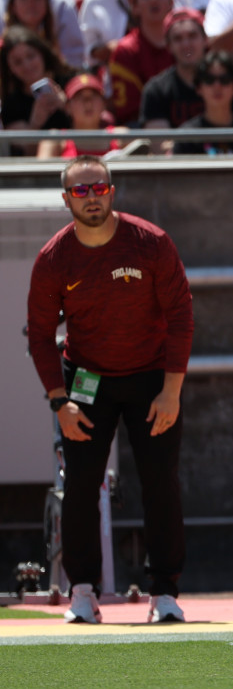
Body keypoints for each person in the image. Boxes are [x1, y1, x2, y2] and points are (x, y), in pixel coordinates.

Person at [25, 155, 193, 625]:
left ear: (112, 191)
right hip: (86, 379)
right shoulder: (54, 258)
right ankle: (82, 591)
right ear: (66, 200)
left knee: (161, 483)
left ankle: (164, 593)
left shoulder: (150, 243)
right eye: (80, 191)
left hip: (152, 377)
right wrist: (59, 401)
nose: (91, 197)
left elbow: (181, 316)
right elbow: (39, 336)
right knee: (80, 485)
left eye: (99, 187)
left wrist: (172, 391)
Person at [141, 7, 233, 147]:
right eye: (178, 38)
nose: (186, 44)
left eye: (192, 36)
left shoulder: (229, 80)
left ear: (206, 40)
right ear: (168, 46)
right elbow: (160, 147)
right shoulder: (156, 90)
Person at [108, 0, 174, 125]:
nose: (154, 0)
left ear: (171, 3)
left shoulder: (185, 42)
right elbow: (129, 113)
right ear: (135, 7)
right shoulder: (126, 50)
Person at [0, 25, 74, 154]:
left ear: (42, 53)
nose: (27, 65)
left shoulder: (72, 82)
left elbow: (96, 130)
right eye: (18, 62)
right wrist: (35, 124)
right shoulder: (11, 106)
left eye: (31, 56)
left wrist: (67, 107)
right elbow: (26, 154)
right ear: (10, 69)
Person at [0, 0, 85, 68]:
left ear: (47, 5)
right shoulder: (3, 48)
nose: (31, 4)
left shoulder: (59, 45)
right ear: (13, 6)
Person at [37, 72, 127, 158]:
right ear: (68, 107)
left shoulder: (121, 136)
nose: (88, 102)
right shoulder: (55, 140)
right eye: (79, 96)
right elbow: (40, 171)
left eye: (94, 95)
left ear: (104, 104)